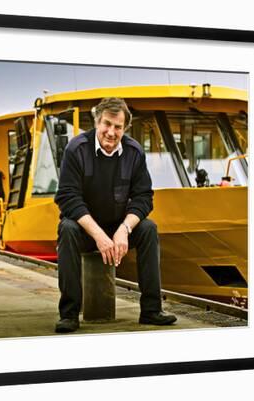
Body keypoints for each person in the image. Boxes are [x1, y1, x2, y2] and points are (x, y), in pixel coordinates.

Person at [54, 97, 177, 333]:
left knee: (149, 229)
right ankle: (69, 314)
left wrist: (125, 229)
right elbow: (68, 198)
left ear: (125, 128)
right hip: (85, 229)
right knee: (67, 229)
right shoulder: (76, 149)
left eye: (118, 126)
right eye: (107, 124)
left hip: (118, 227)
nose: (111, 132)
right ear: (97, 122)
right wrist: (99, 235)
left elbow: (143, 197)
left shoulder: (134, 152)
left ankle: (151, 310)